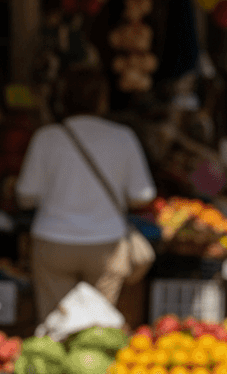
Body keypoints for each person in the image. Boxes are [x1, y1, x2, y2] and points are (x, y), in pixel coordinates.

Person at [15, 67, 156, 319]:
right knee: (97, 328)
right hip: (106, 243)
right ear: (102, 99)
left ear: (62, 98)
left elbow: (26, 195)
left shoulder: (47, 138)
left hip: (53, 241)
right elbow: (143, 195)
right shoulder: (122, 137)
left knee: (54, 325)